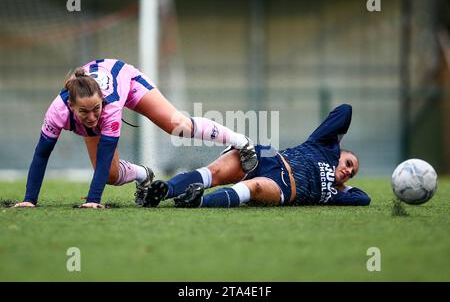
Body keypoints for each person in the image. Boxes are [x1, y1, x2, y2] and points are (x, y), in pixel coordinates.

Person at [13, 58, 258, 209]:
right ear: (71, 107)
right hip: (93, 95)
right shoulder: (57, 111)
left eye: (95, 109)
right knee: (109, 174)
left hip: (127, 81)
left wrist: (93, 199)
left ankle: (240, 141)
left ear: (103, 102)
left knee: (177, 125)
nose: (92, 117)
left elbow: (107, 148)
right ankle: (144, 174)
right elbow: (42, 154)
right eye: (84, 112)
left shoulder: (108, 109)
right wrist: (29, 199)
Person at [139, 104, 370, 208]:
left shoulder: (334, 194)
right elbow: (345, 110)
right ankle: (163, 191)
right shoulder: (323, 146)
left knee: (254, 187)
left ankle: (197, 201)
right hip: (271, 155)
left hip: (285, 186)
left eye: (352, 173)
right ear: (338, 153)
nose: (349, 171)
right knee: (215, 173)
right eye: (349, 163)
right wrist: (333, 143)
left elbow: (363, 198)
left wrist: (340, 187)